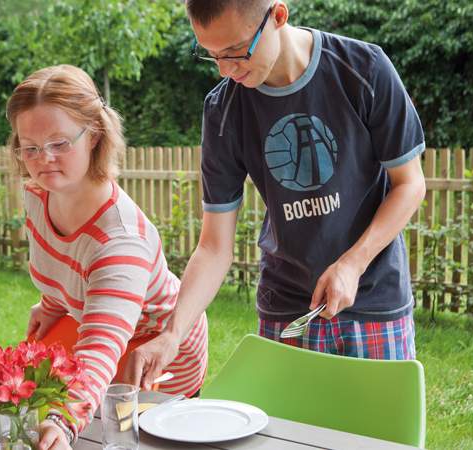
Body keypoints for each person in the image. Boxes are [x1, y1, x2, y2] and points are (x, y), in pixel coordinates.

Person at [127, 0, 426, 391]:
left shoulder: (364, 68)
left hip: (373, 300)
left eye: (235, 52)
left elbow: (410, 184)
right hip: (286, 306)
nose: (225, 70)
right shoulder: (223, 110)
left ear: (278, 16)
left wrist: (352, 264)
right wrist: (172, 333)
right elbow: (215, 246)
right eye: (212, 55)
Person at [7, 65, 208, 449]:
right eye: (29, 146)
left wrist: (63, 422)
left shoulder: (120, 241)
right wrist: (51, 304)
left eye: (59, 143)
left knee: (118, 439)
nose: (43, 158)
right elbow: (68, 266)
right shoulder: (38, 194)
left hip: (153, 356)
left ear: (94, 136)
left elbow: (99, 350)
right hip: (98, 333)